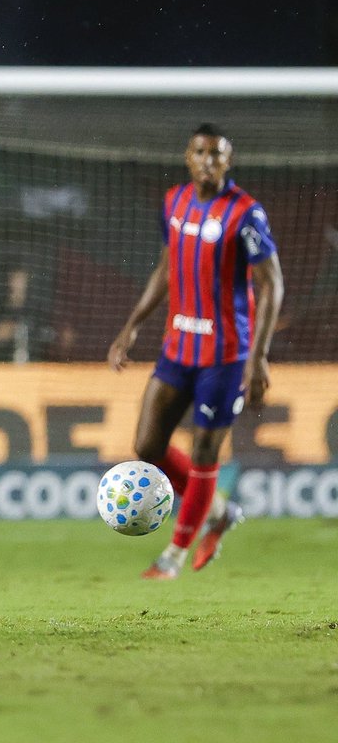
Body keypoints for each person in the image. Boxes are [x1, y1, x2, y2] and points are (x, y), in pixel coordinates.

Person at [108, 123, 284, 580]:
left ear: (228, 161)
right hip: (178, 348)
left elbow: (272, 284)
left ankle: (173, 555)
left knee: (206, 452)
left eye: (217, 154)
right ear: (188, 157)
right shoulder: (175, 202)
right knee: (147, 446)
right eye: (201, 152)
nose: (208, 161)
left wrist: (258, 356)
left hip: (225, 355)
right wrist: (132, 325)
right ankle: (219, 512)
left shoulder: (245, 213)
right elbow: (167, 267)